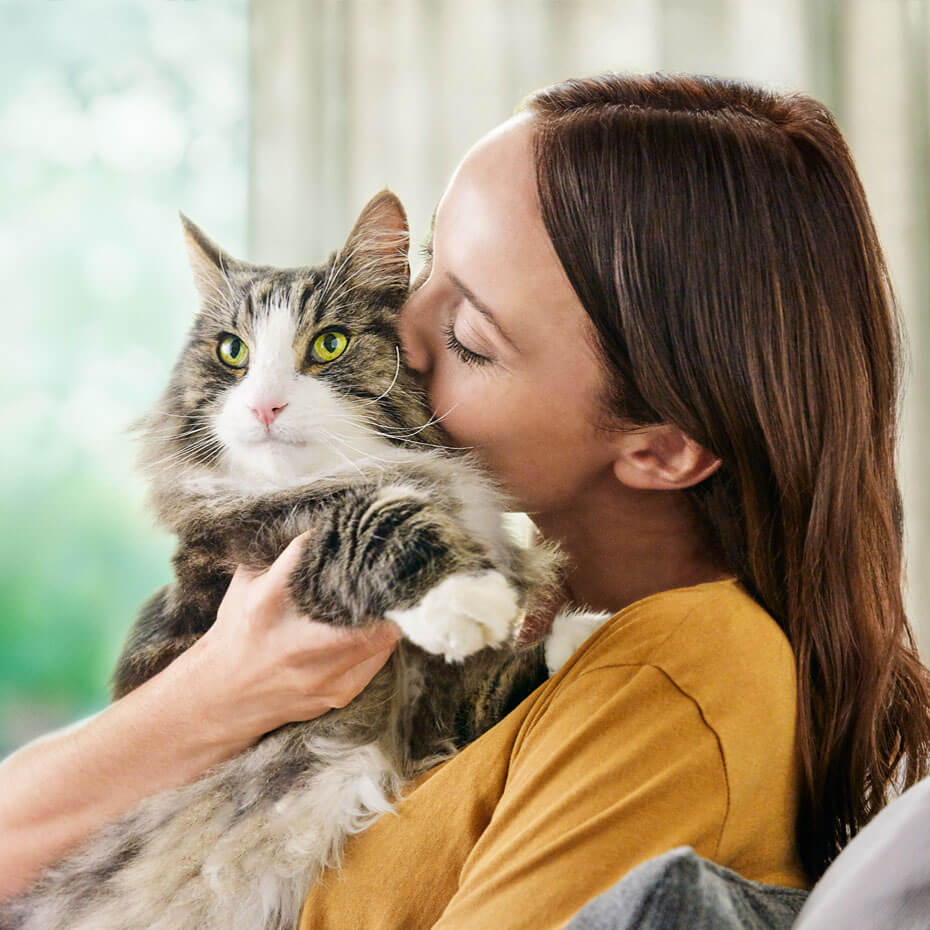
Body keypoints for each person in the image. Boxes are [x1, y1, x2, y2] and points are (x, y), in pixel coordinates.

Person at [1, 70, 928, 928]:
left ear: (662, 449)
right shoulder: (446, 608)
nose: (391, 332)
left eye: (471, 335)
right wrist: (209, 696)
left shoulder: (674, 683)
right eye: (428, 264)